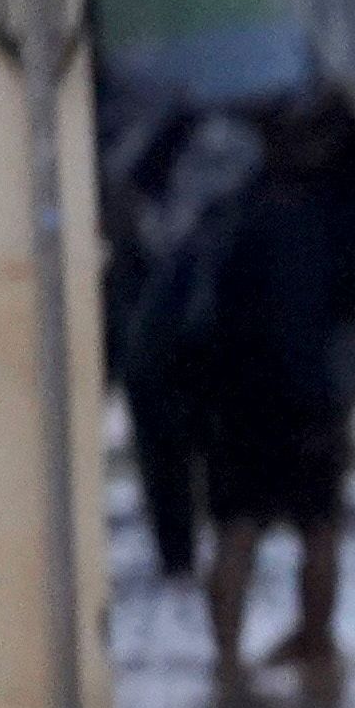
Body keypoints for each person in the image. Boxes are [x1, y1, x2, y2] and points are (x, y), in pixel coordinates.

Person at [193, 85, 355, 708]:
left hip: (243, 397)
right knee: (317, 528)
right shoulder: (346, 213)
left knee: (240, 529)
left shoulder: (240, 212)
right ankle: (315, 646)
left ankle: (229, 661)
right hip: (310, 398)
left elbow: (205, 313)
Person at [100, 82, 259, 583]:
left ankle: (189, 555)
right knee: (180, 454)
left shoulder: (218, 150)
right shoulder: (155, 145)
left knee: (183, 456)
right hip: (172, 339)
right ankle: (190, 554)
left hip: (191, 339)